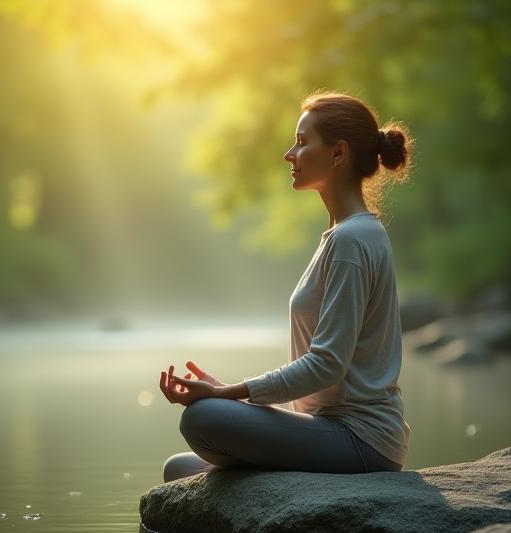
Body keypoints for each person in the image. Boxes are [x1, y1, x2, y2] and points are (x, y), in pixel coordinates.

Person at [158, 91, 413, 482]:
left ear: (338, 152)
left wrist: (229, 394)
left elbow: (327, 364)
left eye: (302, 141)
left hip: (360, 439)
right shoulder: (342, 235)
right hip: (324, 431)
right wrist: (228, 391)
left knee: (203, 418)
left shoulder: (352, 240)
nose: (289, 154)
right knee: (178, 470)